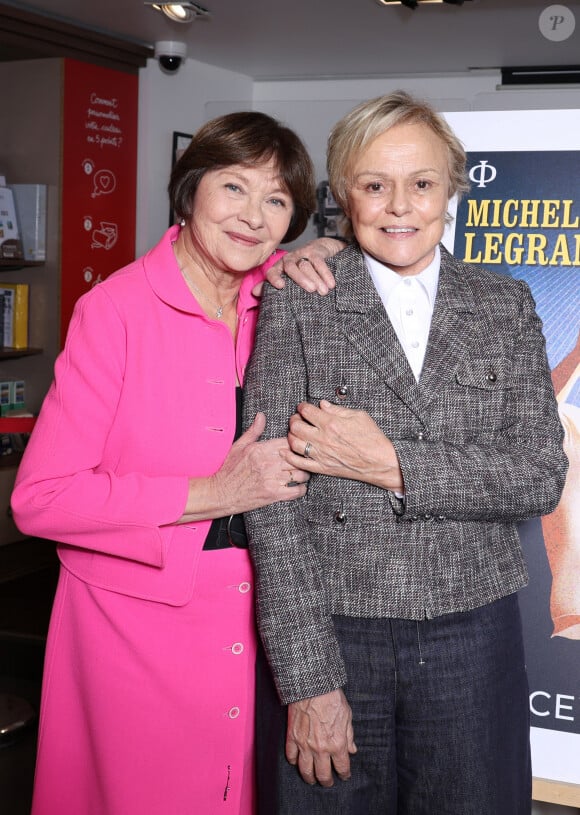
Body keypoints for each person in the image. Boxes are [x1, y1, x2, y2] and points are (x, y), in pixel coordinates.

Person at [243, 91, 569, 815]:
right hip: (334, 633)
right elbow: (270, 505)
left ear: (452, 189)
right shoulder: (300, 302)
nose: (399, 206)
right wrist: (306, 678)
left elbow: (541, 474)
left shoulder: (504, 304)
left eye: (421, 183)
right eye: (374, 184)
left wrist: (391, 461)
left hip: (472, 629)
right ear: (343, 195)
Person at [10, 110, 340, 815]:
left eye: (277, 200)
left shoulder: (279, 301)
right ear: (190, 192)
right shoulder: (116, 310)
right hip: (132, 630)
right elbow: (41, 498)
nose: (253, 217)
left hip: (259, 616)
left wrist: (335, 250)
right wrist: (210, 491)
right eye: (234, 187)